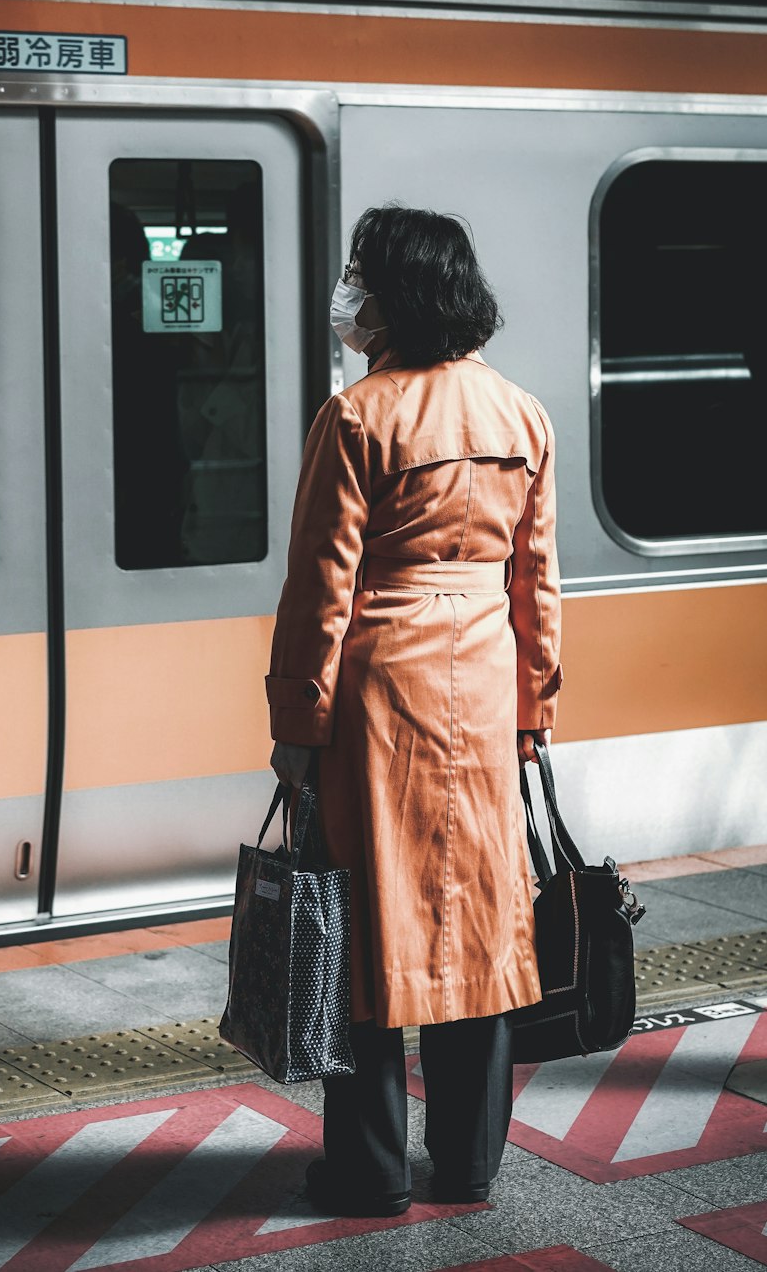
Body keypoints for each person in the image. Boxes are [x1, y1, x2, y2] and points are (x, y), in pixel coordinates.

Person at [267, 204, 561, 1217]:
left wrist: (296, 728)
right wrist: (532, 714)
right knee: (478, 921)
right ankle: (470, 1162)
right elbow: (539, 586)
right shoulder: (523, 415)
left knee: (365, 921)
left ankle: (370, 1169)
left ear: (393, 293)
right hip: (482, 688)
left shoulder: (355, 416)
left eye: (360, 272)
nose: (349, 290)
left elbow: (319, 589)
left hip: (377, 690)